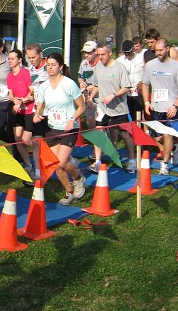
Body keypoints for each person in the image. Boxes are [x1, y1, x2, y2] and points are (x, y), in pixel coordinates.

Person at [31, 52, 87, 205]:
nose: (50, 67)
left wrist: (72, 119)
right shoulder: (43, 86)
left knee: (61, 162)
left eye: (53, 65)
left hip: (69, 128)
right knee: (56, 165)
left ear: (60, 67)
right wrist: (37, 114)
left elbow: (82, 106)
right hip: (53, 128)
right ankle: (69, 192)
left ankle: (78, 178)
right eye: (48, 64)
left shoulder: (69, 84)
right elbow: (40, 106)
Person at [141, 38, 178, 175]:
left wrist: (175, 105)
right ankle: (174, 147)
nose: (158, 53)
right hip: (156, 107)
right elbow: (145, 84)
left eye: (161, 50)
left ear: (167, 49)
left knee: (167, 135)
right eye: (156, 51)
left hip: (171, 108)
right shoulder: (150, 65)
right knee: (158, 138)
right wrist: (146, 102)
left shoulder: (175, 66)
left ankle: (165, 164)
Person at [89, 44, 135, 172]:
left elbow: (127, 87)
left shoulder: (119, 67)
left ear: (110, 53)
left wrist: (113, 95)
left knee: (124, 134)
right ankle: (97, 161)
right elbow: (97, 85)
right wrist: (91, 97)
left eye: (102, 54)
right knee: (98, 132)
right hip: (103, 108)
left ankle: (132, 160)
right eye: (98, 55)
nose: (100, 57)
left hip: (119, 108)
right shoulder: (98, 67)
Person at [7, 48, 38, 181]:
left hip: (29, 111)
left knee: (26, 140)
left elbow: (32, 93)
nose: (10, 61)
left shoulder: (25, 73)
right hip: (17, 111)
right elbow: (10, 93)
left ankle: (44, 153)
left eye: (12, 58)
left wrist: (24, 100)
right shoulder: (9, 76)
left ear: (19, 60)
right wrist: (14, 101)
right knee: (17, 139)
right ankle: (28, 164)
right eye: (8, 58)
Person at [77, 40, 100, 170]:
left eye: (89, 53)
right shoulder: (84, 64)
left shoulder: (101, 64)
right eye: (85, 53)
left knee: (105, 125)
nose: (87, 55)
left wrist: (95, 88)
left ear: (95, 51)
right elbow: (80, 76)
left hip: (102, 97)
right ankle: (95, 147)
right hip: (89, 98)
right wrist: (82, 83)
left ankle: (111, 146)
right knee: (90, 122)